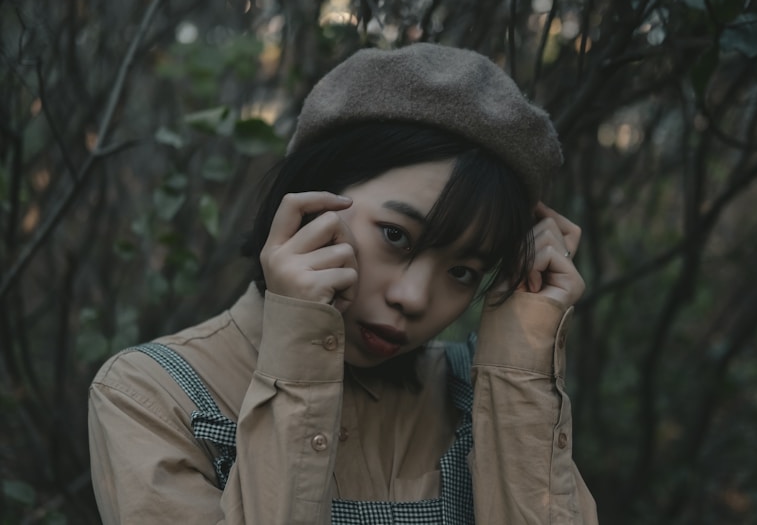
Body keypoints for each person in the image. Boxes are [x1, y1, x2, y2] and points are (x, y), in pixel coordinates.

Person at [88, 43, 598, 524]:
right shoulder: (152, 394)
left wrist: (519, 363)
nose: (413, 297)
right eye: (396, 236)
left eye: (463, 272)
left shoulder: (479, 395)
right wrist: (300, 356)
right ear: (308, 200)